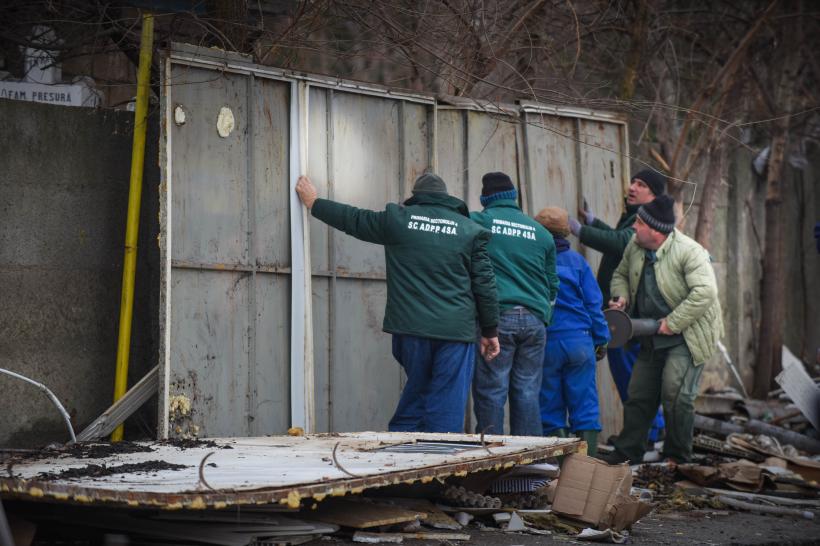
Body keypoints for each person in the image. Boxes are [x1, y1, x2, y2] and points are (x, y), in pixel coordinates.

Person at [295, 173, 500, 433]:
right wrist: (490, 330)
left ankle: (402, 445)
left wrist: (315, 203)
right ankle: (441, 452)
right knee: (446, 399)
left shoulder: (398, 220)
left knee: (418, 389)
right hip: (455, 332)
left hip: (410, 330)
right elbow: (485, 284)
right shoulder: (470, 231)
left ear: (417, 197)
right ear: (447, 198)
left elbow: (354, 219)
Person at [601, 194, 723, 464]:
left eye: (639, 223)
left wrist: (673, 322)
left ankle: (677, 457)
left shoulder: (689, 252)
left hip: (688, 335)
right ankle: (628, 452)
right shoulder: (635, 245)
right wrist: (621, 296)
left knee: (675, 394)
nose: (634, 227)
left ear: (655, 231)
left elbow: (706, 292)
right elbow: (620, 274)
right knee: (639, 393)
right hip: (652, 335)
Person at [571, 169, 667, 442]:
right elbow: (619, 235)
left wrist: (581, 230)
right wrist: (595, 223)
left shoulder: (647, 221)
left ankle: (650, 433)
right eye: (633, 182)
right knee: (632, 378)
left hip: (627, 318)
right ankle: (648, 432)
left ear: (654, 195)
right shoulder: (635, 216)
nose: (632, 187)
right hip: (624, 316)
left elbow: (623, 241)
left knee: (631, 379)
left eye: (641, 184)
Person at [469, 172, 559, 436]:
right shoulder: (542, 233)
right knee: (528, 390)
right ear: (513, 196)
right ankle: (530, 452)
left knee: (492, 389)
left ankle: (491, 450)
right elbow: (553, 283)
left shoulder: (478, 222)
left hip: (498, 320)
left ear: (485, 199)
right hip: (535, 321)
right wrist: (544, 315)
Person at [535, 207, 610, 455]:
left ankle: (559, 467)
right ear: (567, 232)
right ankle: (586, 466)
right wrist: (601, 339)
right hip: (580, 342)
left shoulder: (535, 261)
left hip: (548, 342)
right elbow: (593, 304)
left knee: (550, 407)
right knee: (585, 406)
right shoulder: (578, 262)